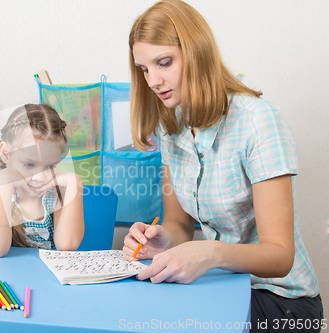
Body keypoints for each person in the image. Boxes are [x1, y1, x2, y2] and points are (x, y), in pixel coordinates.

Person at [123, 0, 324, 331]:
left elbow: (280, 255)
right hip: (224, 286)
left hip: (283, 301)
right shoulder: (171, 127)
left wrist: (209, 253)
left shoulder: (259, 121)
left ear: (197, 52)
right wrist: (163, 239)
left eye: (164, 62)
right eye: (144, 69)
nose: (153, 81)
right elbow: (178, 223)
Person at [0, 104, 84, 258]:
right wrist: (3, 181)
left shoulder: (58, 196)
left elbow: (67, 245)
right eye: (29, 164)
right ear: (5, 153)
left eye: (50, 166)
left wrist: (74, 181)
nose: (40, 177)